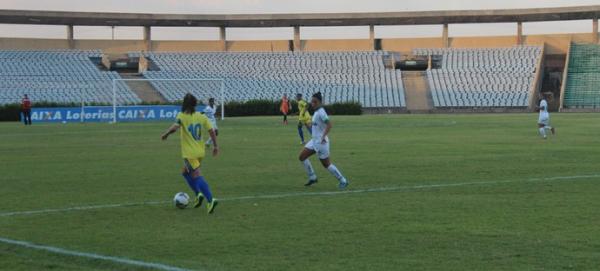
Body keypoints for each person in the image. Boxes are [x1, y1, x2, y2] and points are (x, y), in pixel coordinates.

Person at [161, 93, 219, 214]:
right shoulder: (201, 116)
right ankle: (198, 195)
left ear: (184, 104)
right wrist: (215, 146)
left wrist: (166, 134)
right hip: (200, 151)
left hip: (190, 153)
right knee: (185, 172)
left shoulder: (182, 116)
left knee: (196, 174)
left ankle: (210, 200)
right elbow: (211, 131)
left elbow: (174, 128)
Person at [298, 92, 349, 189]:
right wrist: (306, 124)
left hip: (321, 143)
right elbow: (315, 126)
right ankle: (312, 177)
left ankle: (343, 180)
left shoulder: (321, 112)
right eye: (312, 102)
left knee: (327, 164)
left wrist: (323, 137)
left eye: (314, 102)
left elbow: (329, 125)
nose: (312, 103)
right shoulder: (316, 112)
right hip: (314, 142)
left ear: (319, 102)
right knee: (302, 157)